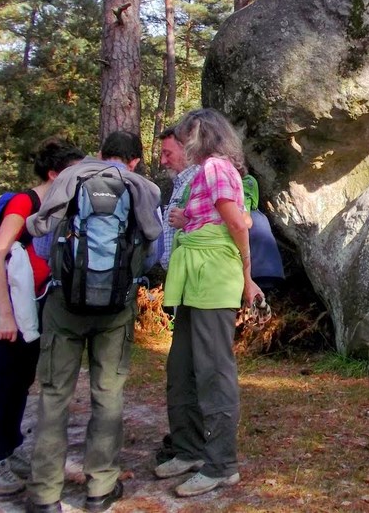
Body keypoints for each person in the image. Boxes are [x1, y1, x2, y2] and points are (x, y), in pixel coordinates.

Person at [24, 131, 162, 513]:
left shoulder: (70, 178)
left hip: (63, 304)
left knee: (54, 395)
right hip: (116, 308)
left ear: (101, 153)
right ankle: (100, 488)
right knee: (108, 395)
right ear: (134, 160)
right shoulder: (143, 188)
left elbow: (40, 241)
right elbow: (155, 253)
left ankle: (44, 494)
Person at [0, 138, 84, 498]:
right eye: (73, 172)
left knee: (20, 380)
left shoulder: (55, 208)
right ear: (54, 173)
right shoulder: (25, 202)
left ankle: (11, 446)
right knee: (4, 381)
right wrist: (6, 316)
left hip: (32, 304)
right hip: (9, 307)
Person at [156, 108, 261, 498]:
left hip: (214, 275)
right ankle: (189, 450)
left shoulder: (216, 167)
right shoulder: (203, 175)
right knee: (181, 367)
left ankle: (221, 464)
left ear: (202, 134)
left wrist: (247, 278)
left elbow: (237, 223)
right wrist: (185, 220)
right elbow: (214, 218)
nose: (182, 145)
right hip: (193, 275)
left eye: (187, 137)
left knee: (213, 370)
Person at [155, 125, 200, 271]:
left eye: (168, 154)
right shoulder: (180, 182)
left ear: (187, 150)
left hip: (194, 274)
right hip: (179, 275)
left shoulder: (200, 180)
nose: (163, 161)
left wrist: (188, 223)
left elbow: (226, 225)